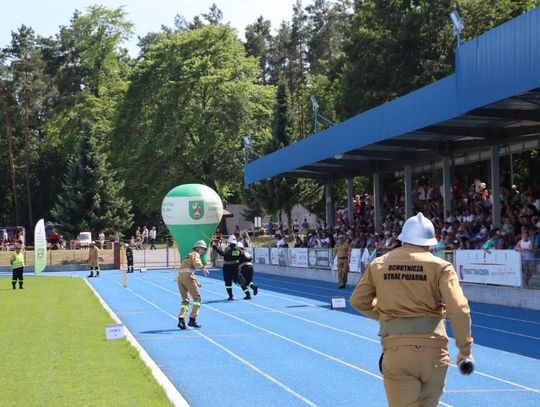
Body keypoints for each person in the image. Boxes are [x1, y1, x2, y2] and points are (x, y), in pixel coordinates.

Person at [350, 213, 473, 407]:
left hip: (396, 349)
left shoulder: (379, 264)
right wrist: (464, 350)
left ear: (403, 238)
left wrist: (387, 318)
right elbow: (459, 308)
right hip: (434, 351)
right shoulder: (442, 267)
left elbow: (358, 300)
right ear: (431, 243)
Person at [177, 240, 209, 329]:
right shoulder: (195, 254)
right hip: (187, 277)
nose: (203, 251)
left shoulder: (189, 255)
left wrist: (196, 281)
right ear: (198, 248)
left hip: (180, 277)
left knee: (185, 300)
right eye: (202, 249)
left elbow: (187, 270)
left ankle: (181, 319)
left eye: (204, 249)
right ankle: (192, 319)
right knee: (197, 298)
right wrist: (203, 269)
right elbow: (196, 262)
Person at [212, 235, 242, 300]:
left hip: (227, 267)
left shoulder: (228, 248)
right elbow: (241, 256)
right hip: (236, 267)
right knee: (237, 281)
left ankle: (231, 296)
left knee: (228, 282)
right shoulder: (238, 249)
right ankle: (247, 290)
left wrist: (215, 247)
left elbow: (222, 254)